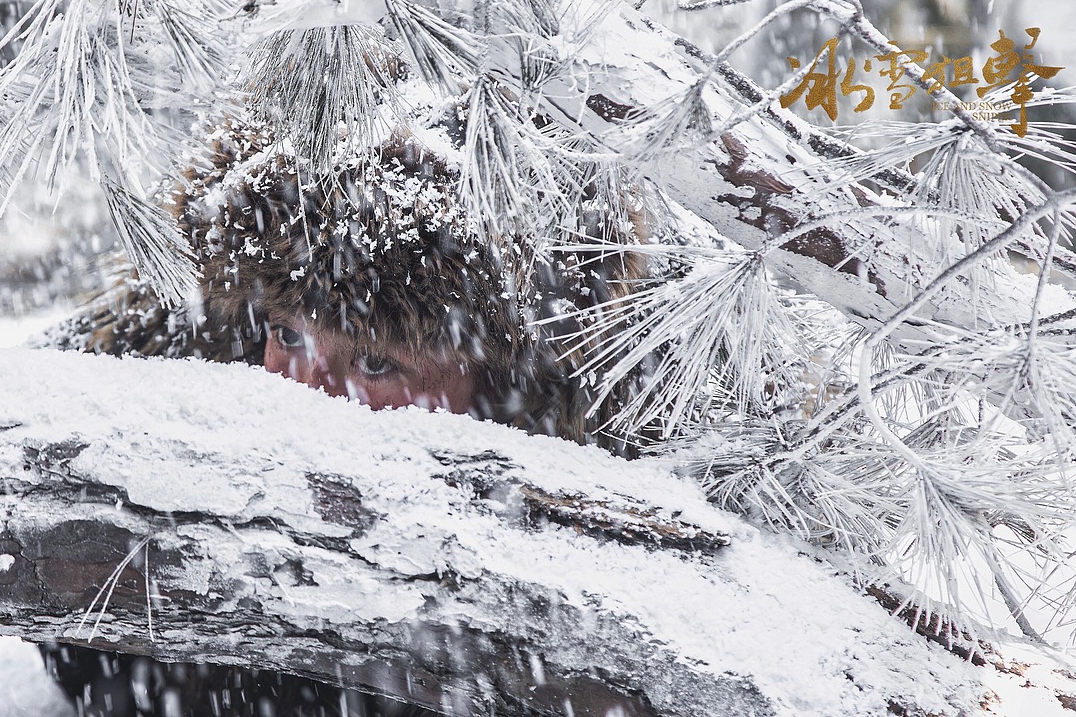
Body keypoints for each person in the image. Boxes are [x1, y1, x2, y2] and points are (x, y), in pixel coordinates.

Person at [38, 99, 645, 716]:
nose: (305, 395)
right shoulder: (160, 423)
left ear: (500, 390)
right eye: (287, 336)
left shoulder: (593, 573)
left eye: (375, 364)